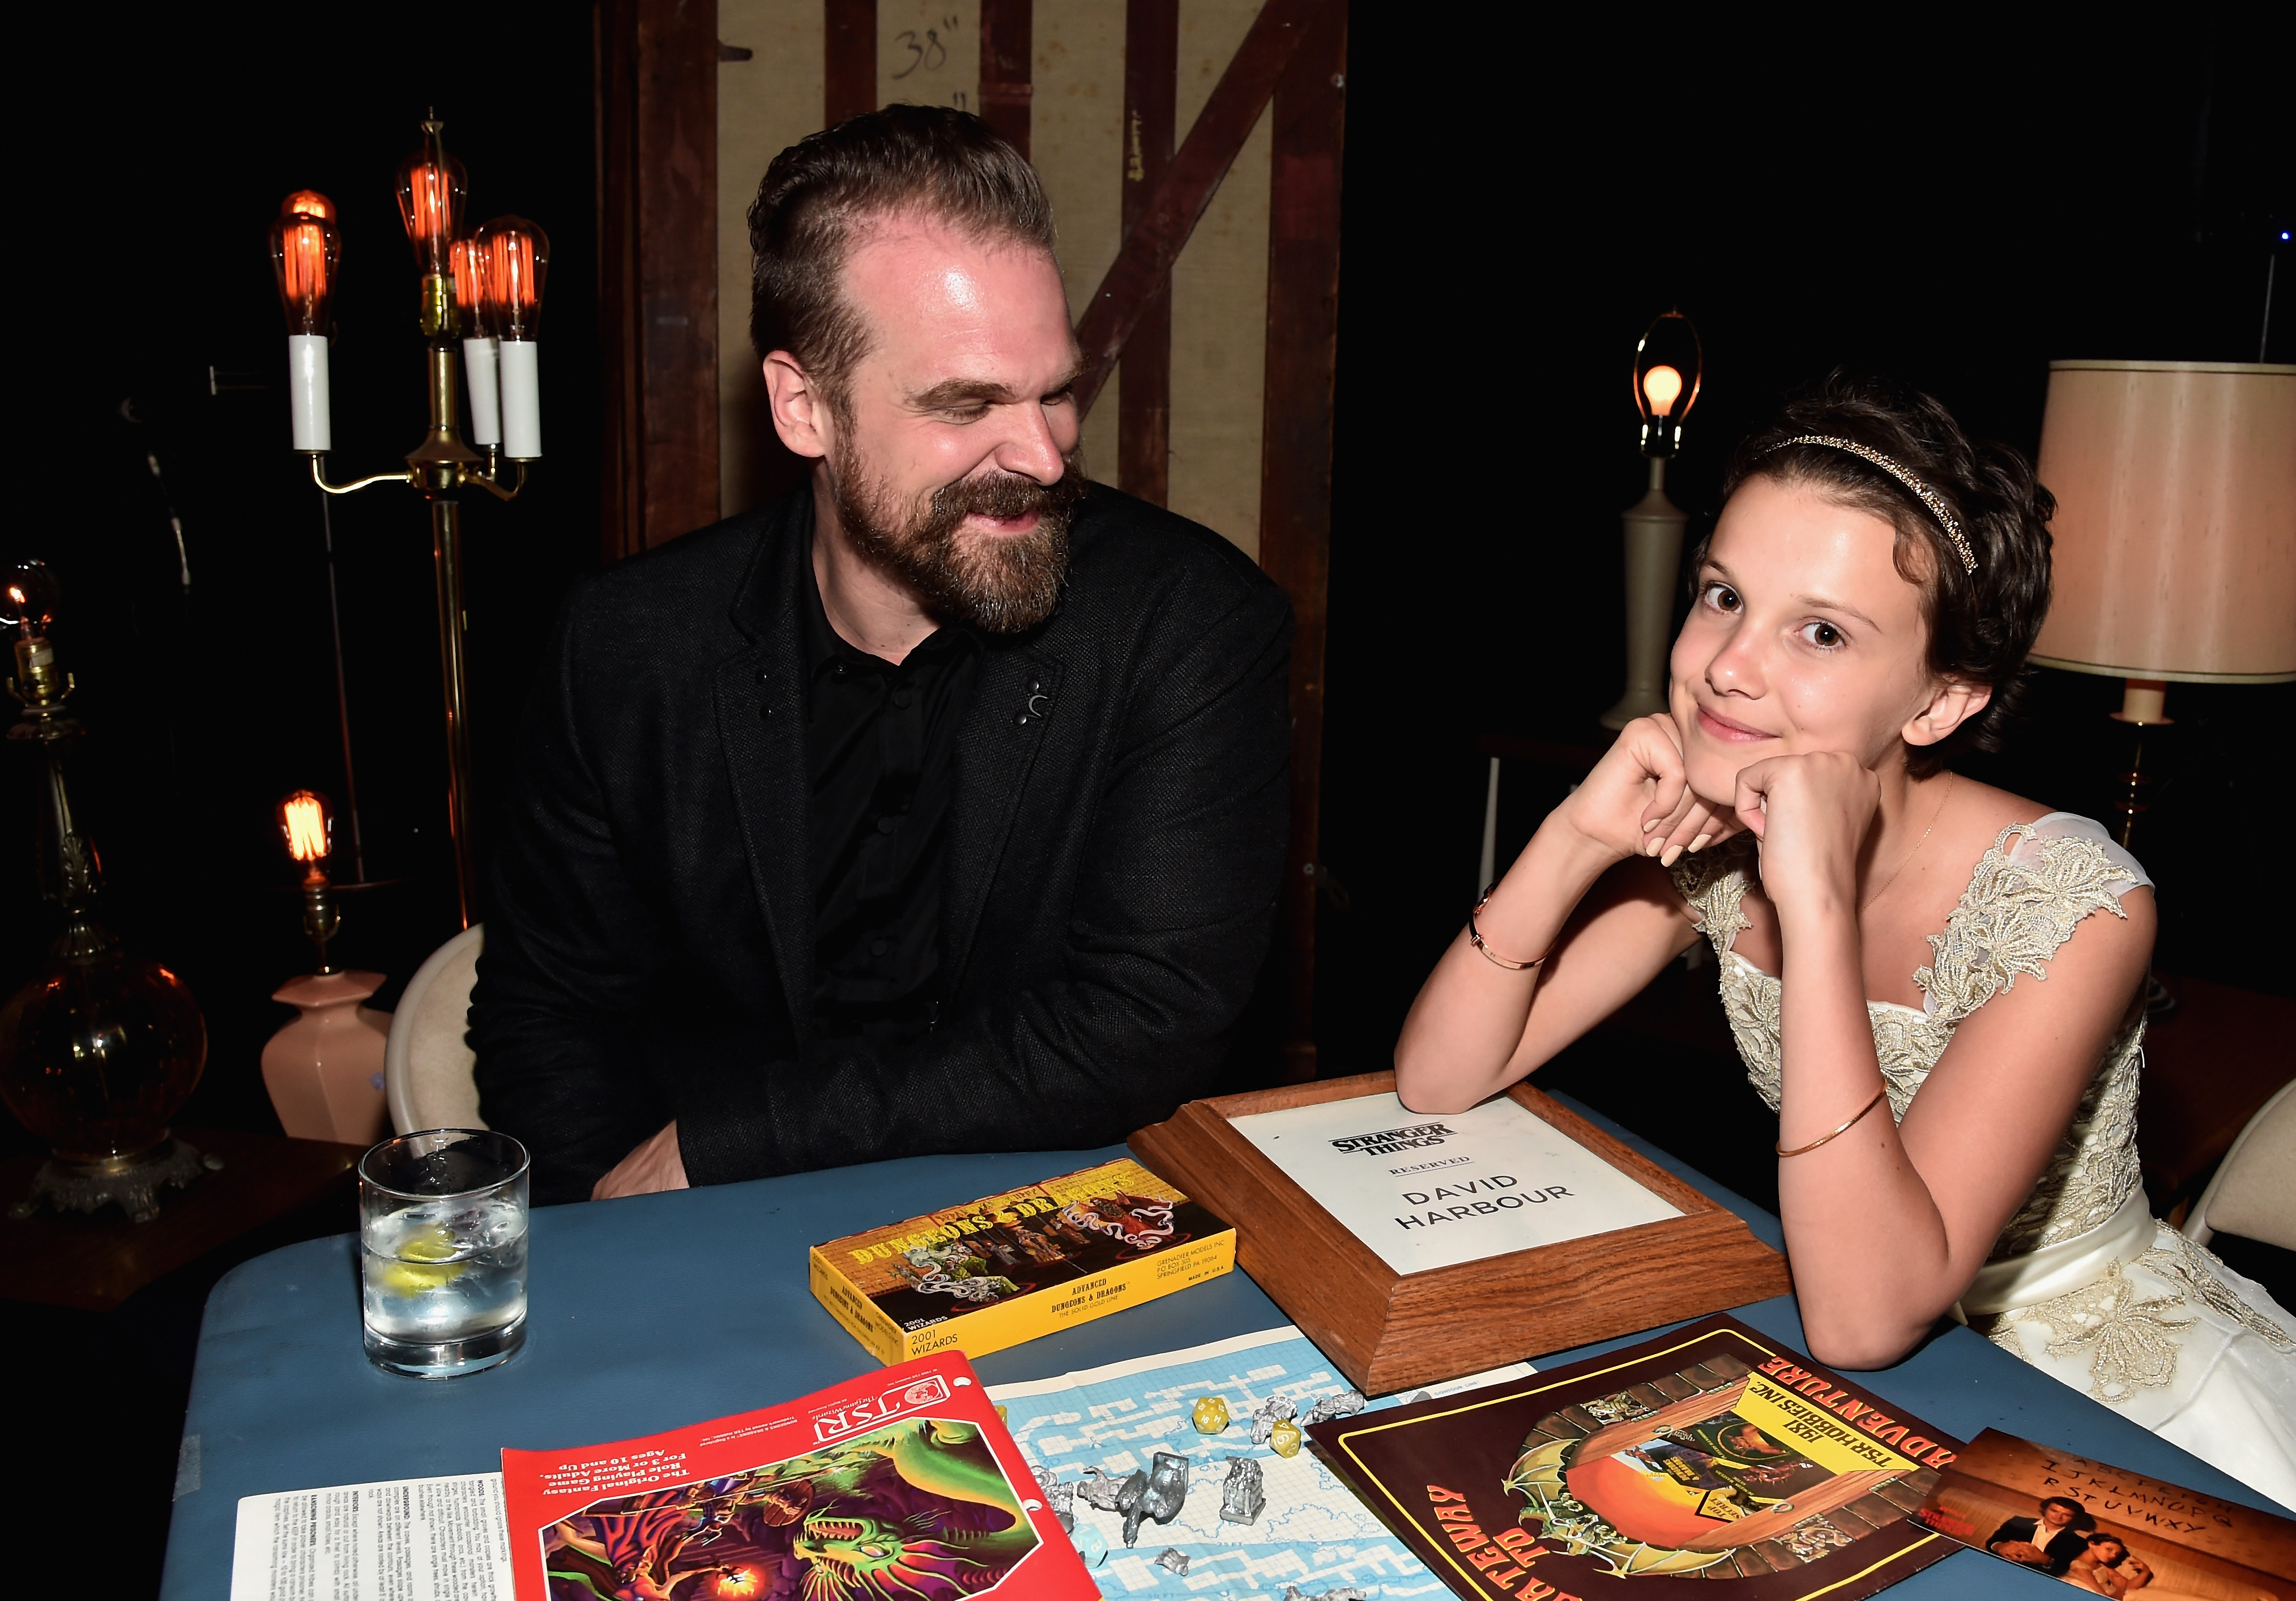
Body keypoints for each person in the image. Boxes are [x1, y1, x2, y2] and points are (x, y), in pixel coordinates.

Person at [1393, 376, 2296, 1504]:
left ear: (1939, 702)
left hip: (2097, 1389)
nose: (1727, 665)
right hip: (1838, 1345)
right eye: (1722, 595)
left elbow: (1866, 1319)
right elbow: (1437, 1077)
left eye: (1818, 631)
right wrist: (1573, 835)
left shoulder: (2075, 905)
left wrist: (1811, 904)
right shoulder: (1714, 838)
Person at [470, 106, 1291, 1204]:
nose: (1044, 456)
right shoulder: (627, 643)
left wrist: (733, 1141)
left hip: (1058, 1238)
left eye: (1054, 390)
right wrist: (614, 1249)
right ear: (803, 408)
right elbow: (548, 1013)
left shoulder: (1189, 624)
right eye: (966, 404)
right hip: (701, 1244)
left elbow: (1142, 1027)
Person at [1985, 1496, 2094, 1577]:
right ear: (2045, 1509)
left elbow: (2064, 1570)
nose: (2058, 1516)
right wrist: (2000, 1547)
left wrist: (2045, 1560)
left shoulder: (2077, 1542)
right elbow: (1992, 1542)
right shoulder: (2018, 1522)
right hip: (1999, 1568)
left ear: (2074, 1518)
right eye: (2054, 1511)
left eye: (2066, 1515)